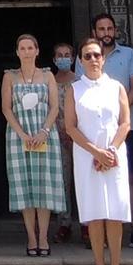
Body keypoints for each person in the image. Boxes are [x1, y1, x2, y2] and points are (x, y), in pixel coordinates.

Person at [65, 38, 131, 265]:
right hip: (86, 156)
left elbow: (124, 122)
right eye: (87, 56)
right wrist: (95, 151)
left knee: (114, 211)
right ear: (80, 61)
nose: (93, 60)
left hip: (114, 156)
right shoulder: (75, 90)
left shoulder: (116, 88)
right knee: (94, 213)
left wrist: (110, 151)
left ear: (103, 58)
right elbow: (70, 126)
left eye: (96, 55)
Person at [75, 14, 133, 249]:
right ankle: (94, 238)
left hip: (123, 129)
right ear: (95, 31)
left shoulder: (129, 55)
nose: (106, 32)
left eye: (110, 28)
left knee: (128, 181)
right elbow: (78, 89)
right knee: (92, 188)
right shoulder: (85, 56)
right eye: (101, 28)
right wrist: (96, 149)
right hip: (89, 137)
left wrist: (119, 109)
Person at [1, 34, 66, 256]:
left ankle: (44, 237)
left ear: (37, 51)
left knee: (43, 186)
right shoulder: (9, 77)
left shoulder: (47, 75)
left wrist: (43, 131)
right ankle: (31, 237)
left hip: (44, 136)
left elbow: (55, 107)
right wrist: (22, 134)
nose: (27, 51)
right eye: (22, 48)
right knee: (25, 187)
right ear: (17, 52)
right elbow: (6, 109)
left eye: (30, 47)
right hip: (19, 137)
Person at [51, 42, 82, 244]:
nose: (63, 58)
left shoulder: (80, 81)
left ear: (73, 59)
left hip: (79, 137)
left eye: (67, 55)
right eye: (59, 55)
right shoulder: (50, 82)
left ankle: (88, 225)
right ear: (54, 59)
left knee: (82, 181)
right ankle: (65, 223)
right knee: (62, 182)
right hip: (57, 137)